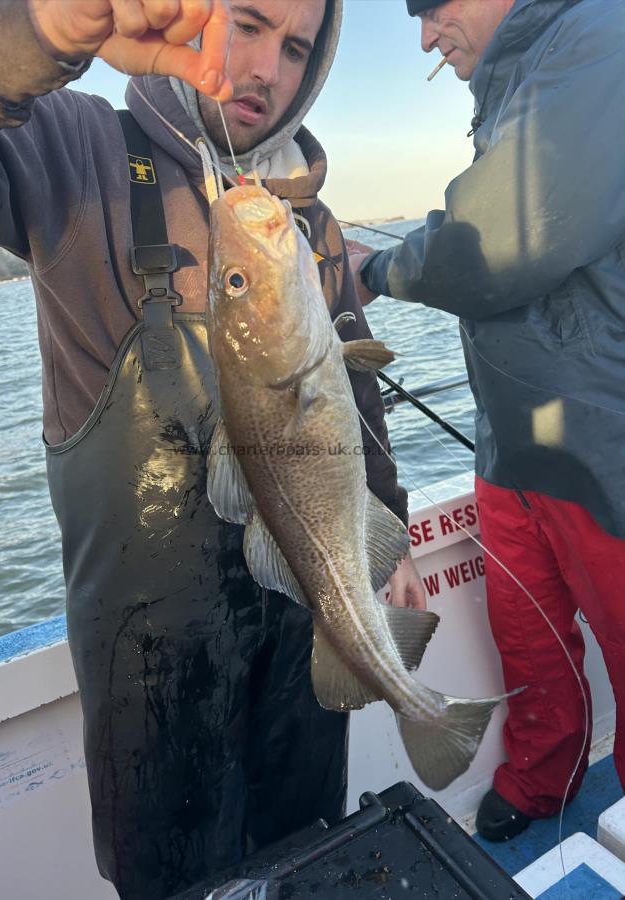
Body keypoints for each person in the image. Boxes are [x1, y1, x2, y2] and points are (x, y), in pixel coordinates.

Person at [0, 0, 425, 896]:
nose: (265, 71)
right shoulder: (77, 152)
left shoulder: (309, 223)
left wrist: (388, 526)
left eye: (294, 48)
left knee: (309, 858)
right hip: (155, 669)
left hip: (303, 642)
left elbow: (351, 392)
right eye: (246, 23)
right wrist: (36, 35)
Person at [351, 0, 625, 842]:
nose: (426, 36)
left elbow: (499, 236)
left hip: (600, 441)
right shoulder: (510, 84)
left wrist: (375, 269)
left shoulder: (599, 35)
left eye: (432, 8)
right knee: (528, 635)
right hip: (515, 442)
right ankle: (541, 773)